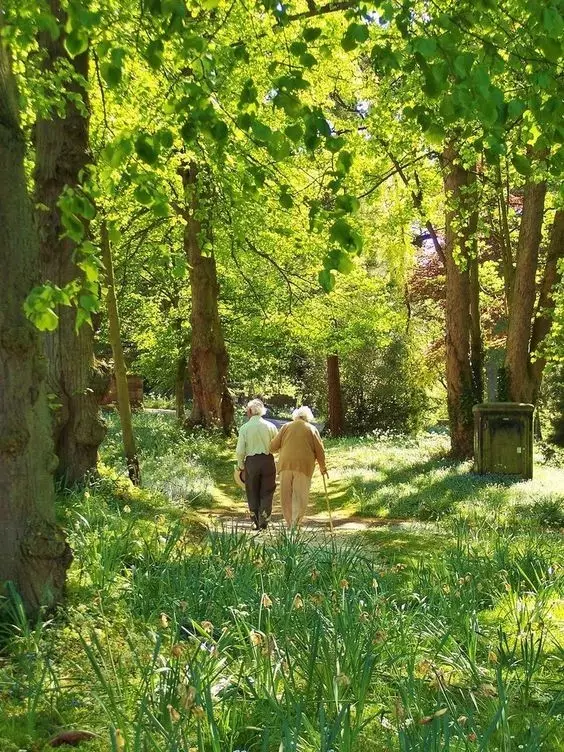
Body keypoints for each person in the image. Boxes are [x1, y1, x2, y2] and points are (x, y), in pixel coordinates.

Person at [269, 406, 327, 528]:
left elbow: (273, 446)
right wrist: (323, 467)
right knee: (300, 495)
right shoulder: (312, 429)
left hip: (285, 464)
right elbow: (320, 450)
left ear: (295, 416)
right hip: (303, 466)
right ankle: (295, 523)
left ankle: (289, 523)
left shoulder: (286, 427)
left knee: (285, 494)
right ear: (308, 418)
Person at [235, 399, 278, 530]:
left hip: (252, 462)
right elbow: (276, 446)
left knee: (252, 489)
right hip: (267, 460)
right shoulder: (270, 426)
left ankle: (255, 520)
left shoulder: (245, 428)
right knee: (267, 490)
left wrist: (240, 465)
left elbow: (240, 450)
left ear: (249, 411)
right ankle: (264, 518)